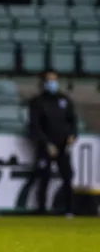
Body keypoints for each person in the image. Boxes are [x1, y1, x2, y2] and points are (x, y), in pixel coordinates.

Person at [28, 69, 78, 216]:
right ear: (43, 83)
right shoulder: (37, 102)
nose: (52, 84)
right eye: (49, 81)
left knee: (68, 176)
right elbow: (34, 126)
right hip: (46, 146)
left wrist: (73, 135)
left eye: (54, 80)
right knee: (44, 176)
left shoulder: (64, 100)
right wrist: (46, 143)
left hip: (63, 145)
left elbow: (72, 120)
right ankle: (42, 209)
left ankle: (68, 209)